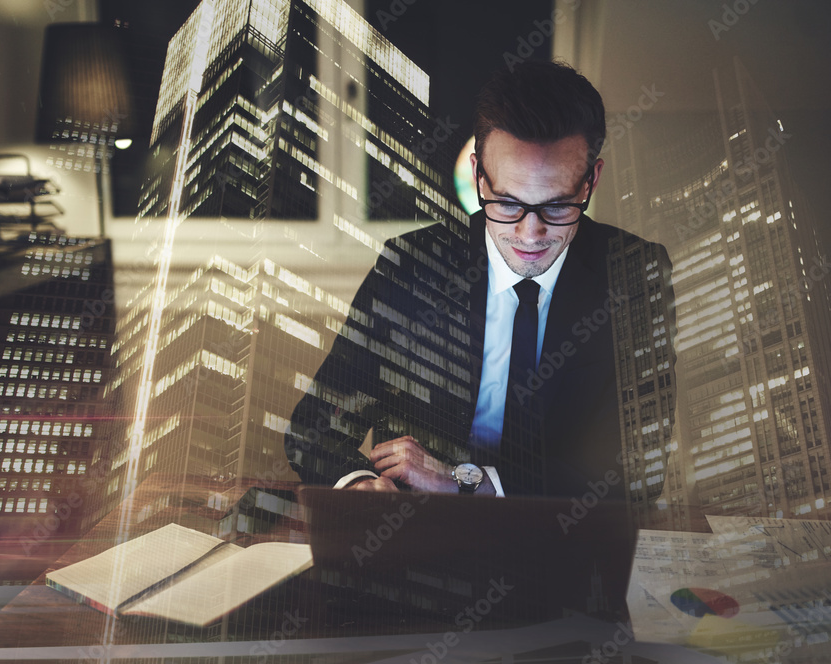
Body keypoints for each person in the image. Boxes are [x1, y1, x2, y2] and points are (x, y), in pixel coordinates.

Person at [284, 60, 676, 500]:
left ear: (591, 183)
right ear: (478, 177)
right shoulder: (411, 266)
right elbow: (313, 428)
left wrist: (464, 481)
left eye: (558, 206)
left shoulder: (634, 273)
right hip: (412, 535)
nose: (531, 234)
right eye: (508, 204)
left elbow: (640, 468)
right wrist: (361, 484)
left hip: (561, 544)